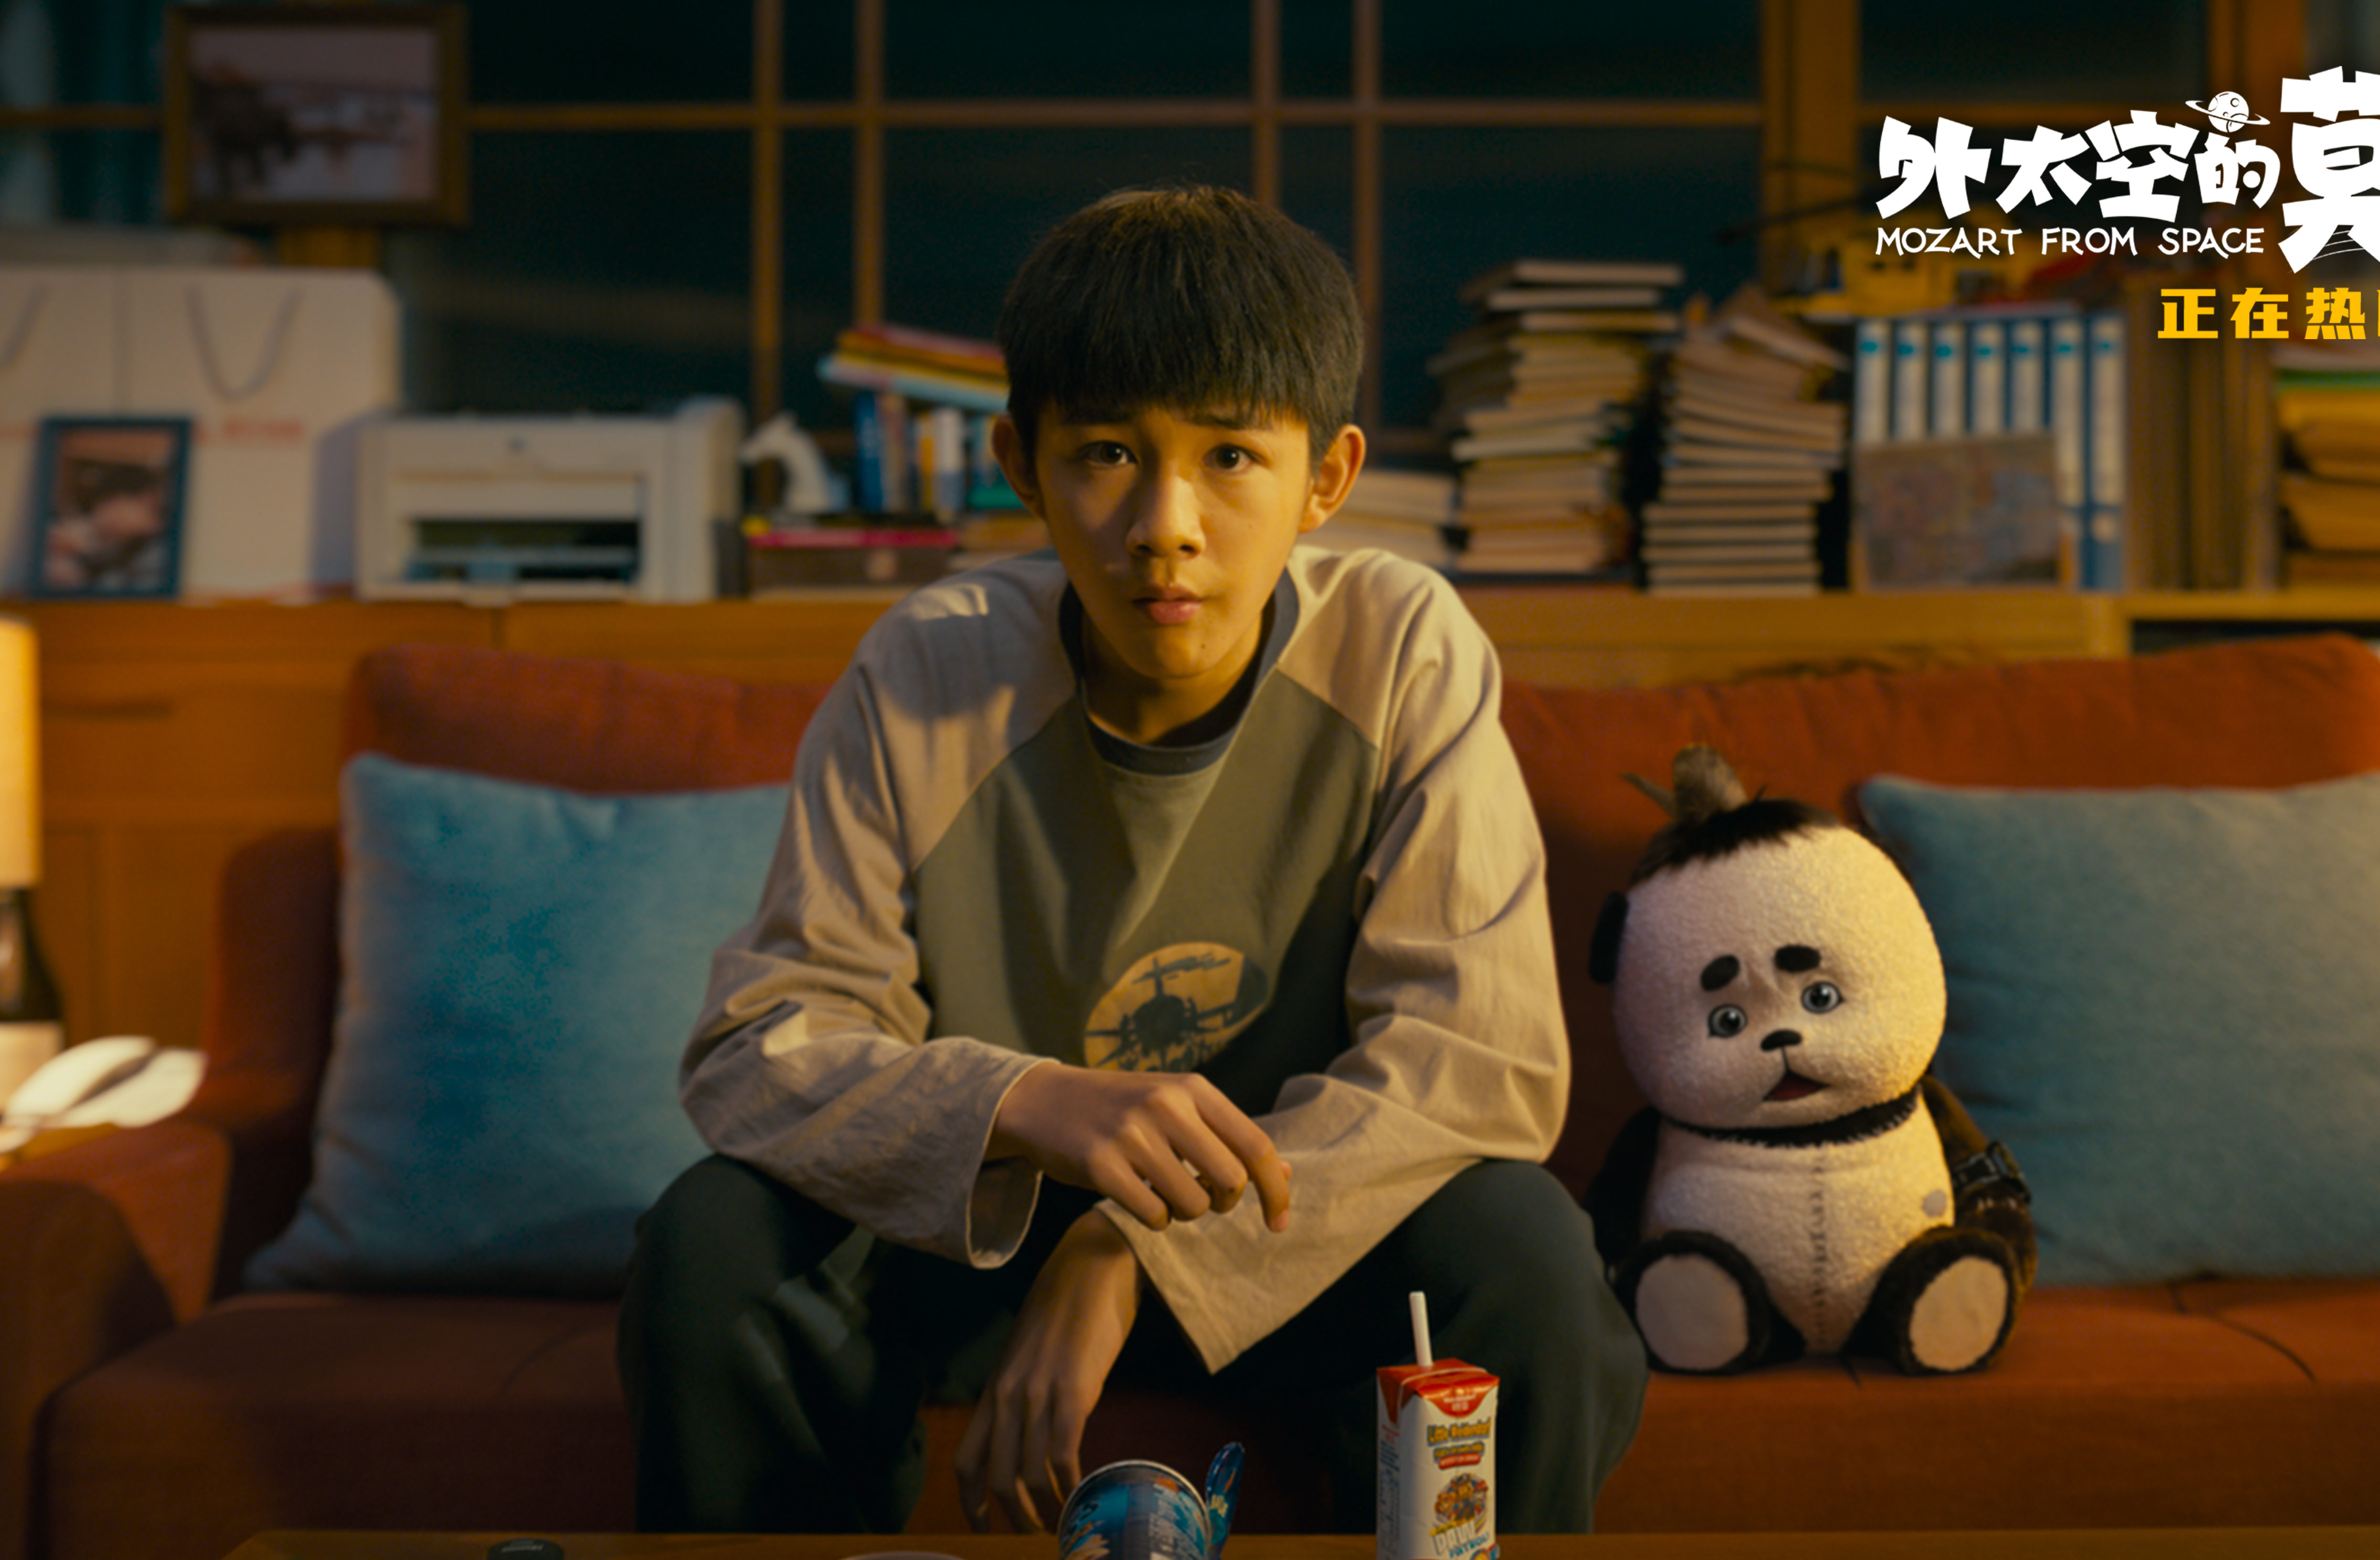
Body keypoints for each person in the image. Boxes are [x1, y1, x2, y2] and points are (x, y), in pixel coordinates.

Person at [617, 185, 1647, 1538]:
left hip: (1298, 1240)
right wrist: (1025, 1102)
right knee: (711, 1240)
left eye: (1231, 456)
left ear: (1327, 480)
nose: (1166, 522)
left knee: (1528, 1251)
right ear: (1021, 463)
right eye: (1106, 453)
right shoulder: (926, 670)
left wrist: (1134, 1247)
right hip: (985, 1244)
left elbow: (1479, 1060)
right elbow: (759, 1047)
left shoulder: (1403, 648)